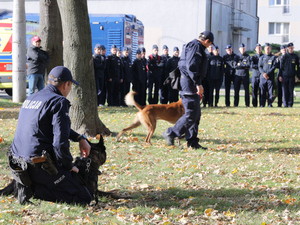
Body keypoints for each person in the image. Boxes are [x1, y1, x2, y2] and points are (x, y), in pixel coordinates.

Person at [10, 66, 92, 205]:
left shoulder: (33, 97)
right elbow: (59, 143)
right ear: (66, 85)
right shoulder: (59, 102)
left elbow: (53, 128)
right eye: (71, 85)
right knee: (84, 197)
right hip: (37, 166)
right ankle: (34, 190)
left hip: (17, 164)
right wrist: (68, 166)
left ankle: (28, 185)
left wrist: (79, 138)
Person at [162, 31, 214, 149]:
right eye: (210, 44)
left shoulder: (197, 46)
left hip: (191, 82)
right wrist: (198, 83)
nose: (209, 46)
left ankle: (193, 142)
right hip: (189, 83)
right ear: (207, 41)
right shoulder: (195, 46)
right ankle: (171, 133)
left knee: (196, 114)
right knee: (191, 113)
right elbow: (191, 66)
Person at [279, 42, 300, 107]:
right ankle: (285, 104)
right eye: (289, 48)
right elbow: (280, 67)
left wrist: (298, 76)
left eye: (292, 48)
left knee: (291, 90)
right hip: (285, 76)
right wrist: (280, 75)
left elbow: (298, 67)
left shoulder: (295, 56)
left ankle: (290, 104)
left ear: (293, 48)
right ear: (287, 48)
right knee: (285, 90)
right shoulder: (284, 56)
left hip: (292, 76)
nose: (291, 49)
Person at [258, 43, 277, 107]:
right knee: (262, 92)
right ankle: (262, 104)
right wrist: (263, 73)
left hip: (270, 77)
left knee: (270, 92)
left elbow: (274, 67)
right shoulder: (261, 57)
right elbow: (259, 67)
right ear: (264, 49)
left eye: (269, 48)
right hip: (262, 77)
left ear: (270, 49)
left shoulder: (273, 57)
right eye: (266, 48)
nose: (267, 49)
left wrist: (267, 73)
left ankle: (269, 104)